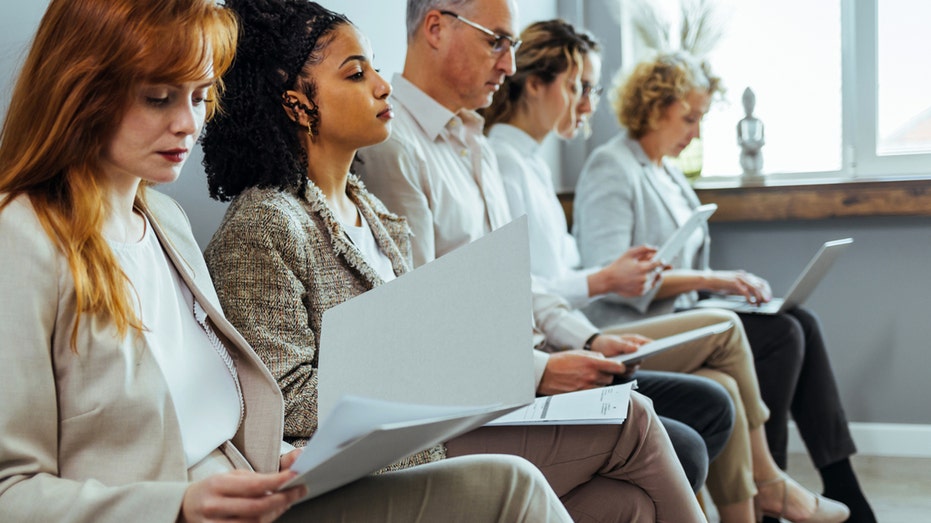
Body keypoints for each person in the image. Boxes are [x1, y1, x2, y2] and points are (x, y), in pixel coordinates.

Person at [0, 1, 575, 521]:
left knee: (539, 481)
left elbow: (217, 417)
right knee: (517, 485)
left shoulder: (164, 222)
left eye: (201, 97)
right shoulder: (23, 238)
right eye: (159, 97)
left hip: (254, 492)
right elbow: (10, 489)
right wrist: (175, 506)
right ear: (81, 89)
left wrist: (279, 457)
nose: (188, 124)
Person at [200, 1, 705, 521]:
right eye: (356, 74)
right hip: (376, 457)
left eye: (374, 68)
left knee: (628, 504)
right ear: (296, 104)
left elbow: (411, 340)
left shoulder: (369, 212)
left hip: (434, 421)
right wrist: (442, 372)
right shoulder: (265, 223)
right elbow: (279, 399)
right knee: (633, 420)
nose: (382, 85)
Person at [354, 0, 736, 498]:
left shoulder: (477, 143)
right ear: (435, 28)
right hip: (485, 385)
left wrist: (590, 337)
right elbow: (424, 313)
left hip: (531, 356)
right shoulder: (394, 145)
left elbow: (514, 281)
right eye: (497, 41)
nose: (509, 65)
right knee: (680, 444)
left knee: (709, 406)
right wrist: (540, 370)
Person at [480, 20, 846, 523]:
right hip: (576, 331)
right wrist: (607, 284)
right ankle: (768, 486)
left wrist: (609, 278)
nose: (587, 103)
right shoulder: (501, 162)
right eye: (577, 87)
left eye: (591, 88)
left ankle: (761, 500)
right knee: (737, 331)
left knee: (741, 367)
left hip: (576, 323)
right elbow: (527, 288)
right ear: (534, 82)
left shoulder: (533, 165)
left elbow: (554, 277)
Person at [574, 51, 870, 523]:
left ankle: (840, 481)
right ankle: (769, 492)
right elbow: (606, 275)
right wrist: (714, 280)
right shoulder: (613, 168)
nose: (696, 131)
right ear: (654, 107)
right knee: (781, 338)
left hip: (683, 311)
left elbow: (683, 272)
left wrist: (722, 290)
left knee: (799, 322)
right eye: (689, 117)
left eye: (701, 119)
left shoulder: (669, 174)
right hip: (633, 323)